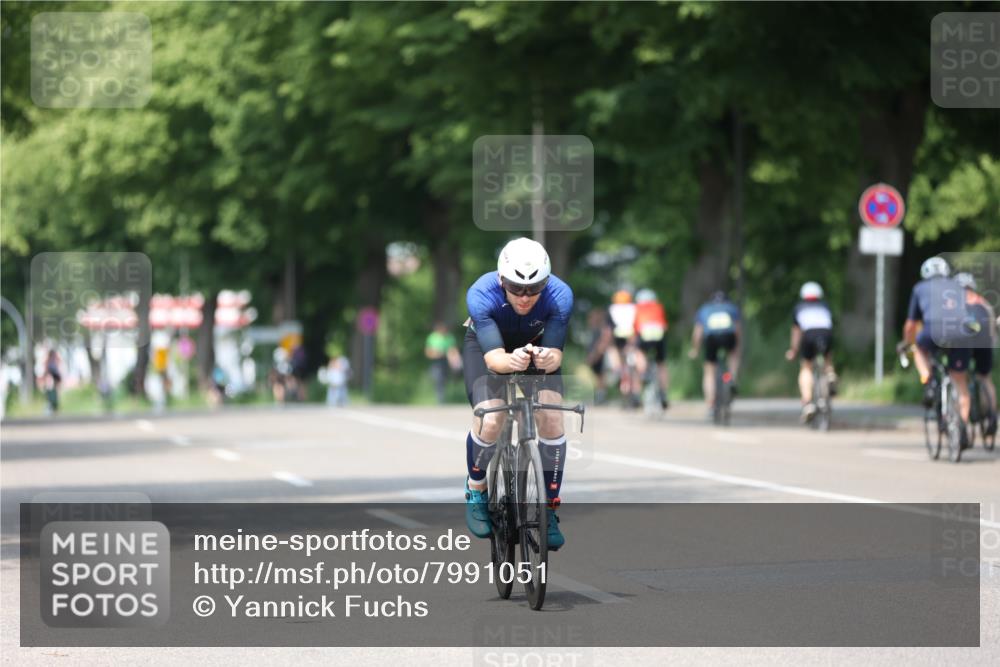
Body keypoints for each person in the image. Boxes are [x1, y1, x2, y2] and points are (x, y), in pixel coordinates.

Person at [462, 238, 573, 550]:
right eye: (515, 287)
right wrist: (510, 362)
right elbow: (494, 359)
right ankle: (476, 488)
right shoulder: (481, 294)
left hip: (535, 347)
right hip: (489, 349)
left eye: (534, 288)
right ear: (501, 280)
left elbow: (555, 353)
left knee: (551, 415)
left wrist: (550, 358)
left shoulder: (560, 296)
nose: (525, 297)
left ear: (546, 283)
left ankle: (549, 506)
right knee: (492, 416)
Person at [902, 257, 972, 449]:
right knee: (961, 384)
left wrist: (906, 344)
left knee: (918, 350)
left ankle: (928, 380)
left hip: (933, 330)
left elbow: (910, 324)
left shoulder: (919, 288)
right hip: (961, 332)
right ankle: (963, 427)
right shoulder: (958, 286)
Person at [785, 282, 838, 422]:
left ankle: (808, 403)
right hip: (826, 333)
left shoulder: (799, 308)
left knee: (806, 367)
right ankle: (831, 374)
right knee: (827, 358)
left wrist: (794, 350)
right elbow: (830, 324)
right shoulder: (825, 306)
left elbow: (796, 332)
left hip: (809, 334)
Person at [956, 271, 997, 435]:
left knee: (960, 379)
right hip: (985, 341)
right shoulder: (984, 302)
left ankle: (962, 425)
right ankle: (993, 415)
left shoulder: (956, 301)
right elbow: (992, 328)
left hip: (964, 341)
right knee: (985, 378)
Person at [689, 291, 742, 412]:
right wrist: (737, 347)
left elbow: (697, 333)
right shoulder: (731, 308)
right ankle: (732, 379)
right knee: (733, 355)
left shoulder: (704, 309)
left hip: (711, 339)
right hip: (728, 337)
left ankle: (711, 401)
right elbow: (737, 330)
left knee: (709, 371)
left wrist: (695, 349)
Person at [633, 289, 670, 409]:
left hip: (644, 333)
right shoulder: (659, 307)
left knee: (639, 353)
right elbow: (665, 326)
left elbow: (635, 327)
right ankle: (664, 394)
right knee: (661, 364)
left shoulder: (637, 308)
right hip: (659, 334)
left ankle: (642, 375)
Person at [608, 290, 640, 405]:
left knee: (621, 365)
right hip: (631, 339)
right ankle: (636, 392)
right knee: (634, 368)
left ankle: (620, 380)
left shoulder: (612, 309)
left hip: (618, 340)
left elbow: (609, 330)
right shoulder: (634, 308)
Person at [425, 322, 460, 404]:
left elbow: (453, 350)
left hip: (446, 361)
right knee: (438, 378)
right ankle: (440, 399)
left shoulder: (449, 337)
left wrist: (456, 361)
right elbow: (428, 352)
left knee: (444, 379)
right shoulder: (432, 337)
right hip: (436, 362)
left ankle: (443, 397)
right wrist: (437, 353)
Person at [584, 308, 612, 404]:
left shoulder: (601, 329)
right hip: (596, 356)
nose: (590, 320)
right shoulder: (593, 330)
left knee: (601, 377)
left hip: (599, 357)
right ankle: (600, 396)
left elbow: (601, 345)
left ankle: (601, 397)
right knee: (598, 377)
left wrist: (594, 356)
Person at [42, 348, 62, 415]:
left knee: (54, 395)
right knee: (51, 395)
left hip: (54, 379)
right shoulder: (49, 362)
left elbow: (57, 372)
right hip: (51, 380)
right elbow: (46, 372)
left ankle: (54, 409)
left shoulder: (54, 361)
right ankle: (51, 409)